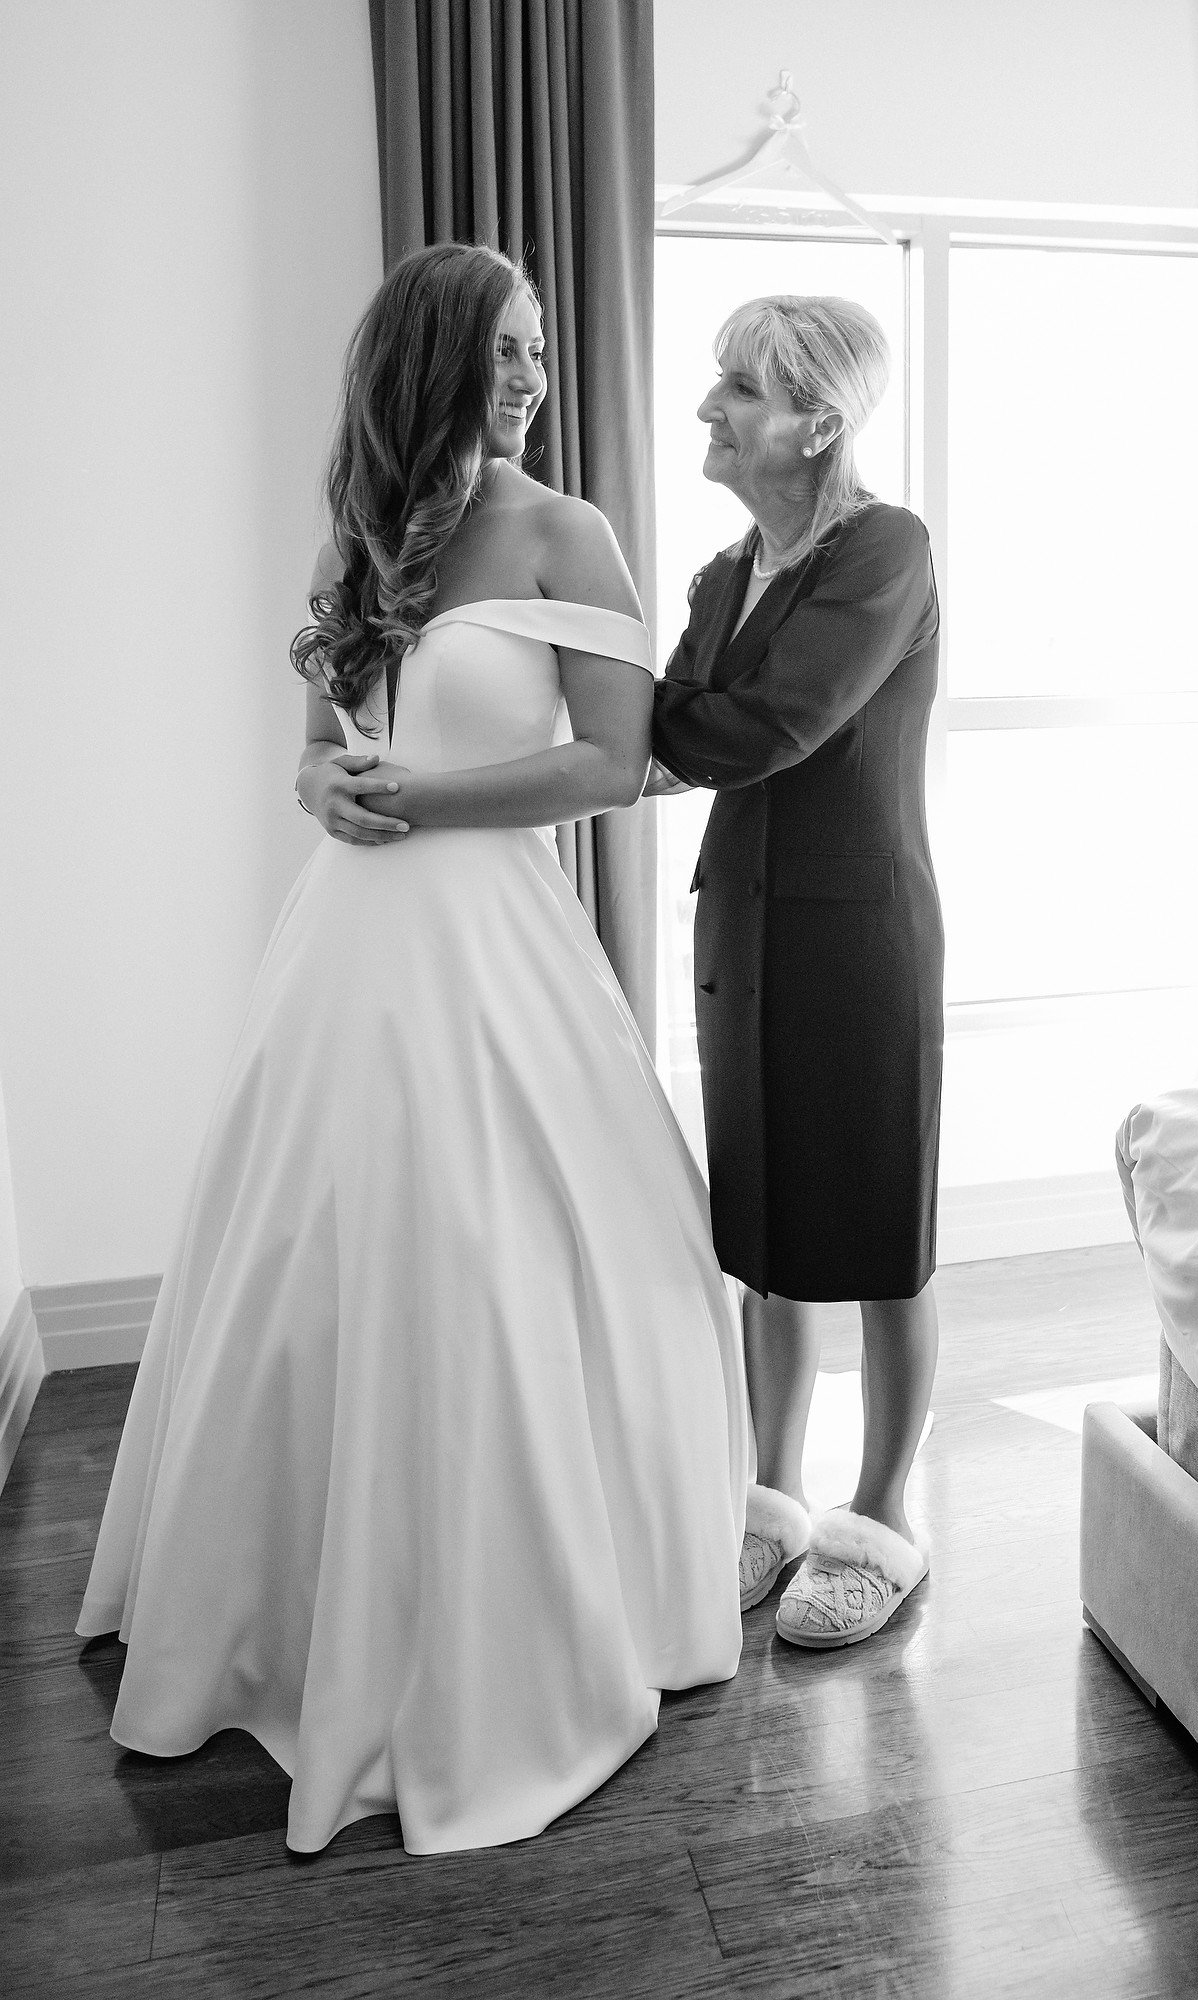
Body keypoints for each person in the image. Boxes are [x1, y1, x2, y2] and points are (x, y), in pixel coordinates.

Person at [76, 242, 747, 1855]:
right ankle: (281, 1600)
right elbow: (319, 751)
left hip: (493, 943)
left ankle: (527, 1619)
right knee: (306, 1245)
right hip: (346, 951)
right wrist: (324, 791)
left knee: (494, 1252)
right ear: (430, 359)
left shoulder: (564, 529)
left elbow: (611, 759)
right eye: (506, 349)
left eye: (538, 347)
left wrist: (422, 803)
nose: (532, 373)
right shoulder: (361, 535)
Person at [648, 293, 942, 1651]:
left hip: (857, 934)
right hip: (743, 927)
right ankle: (774, 1494)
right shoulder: (722, 574)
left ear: (818, 420)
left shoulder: (884, 548)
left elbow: (773, 723)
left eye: (741, 388)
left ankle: (884, 1514)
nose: (711, 406)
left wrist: (658, 732)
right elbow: (670, 716)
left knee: (879, 1234)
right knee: (767, 1238)